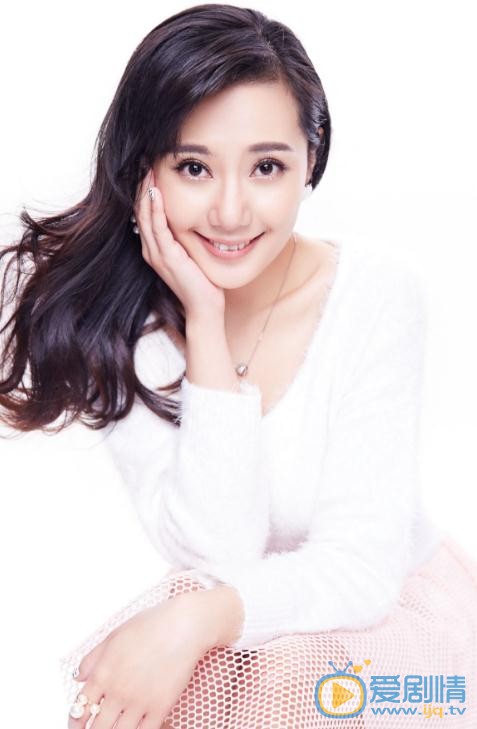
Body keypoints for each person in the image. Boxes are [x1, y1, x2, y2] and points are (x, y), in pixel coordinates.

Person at [1, 4, 477, 728]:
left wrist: (197, 619)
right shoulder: (119, 332)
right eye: (193, 167)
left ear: (310, 160)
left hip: (389, 622)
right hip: (236, 617)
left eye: (266, 167)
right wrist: (205, 324)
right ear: (144, 173)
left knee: (271, 677)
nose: (230, 211)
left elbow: (360, 568)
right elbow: (219, 549)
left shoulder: (376, 294)